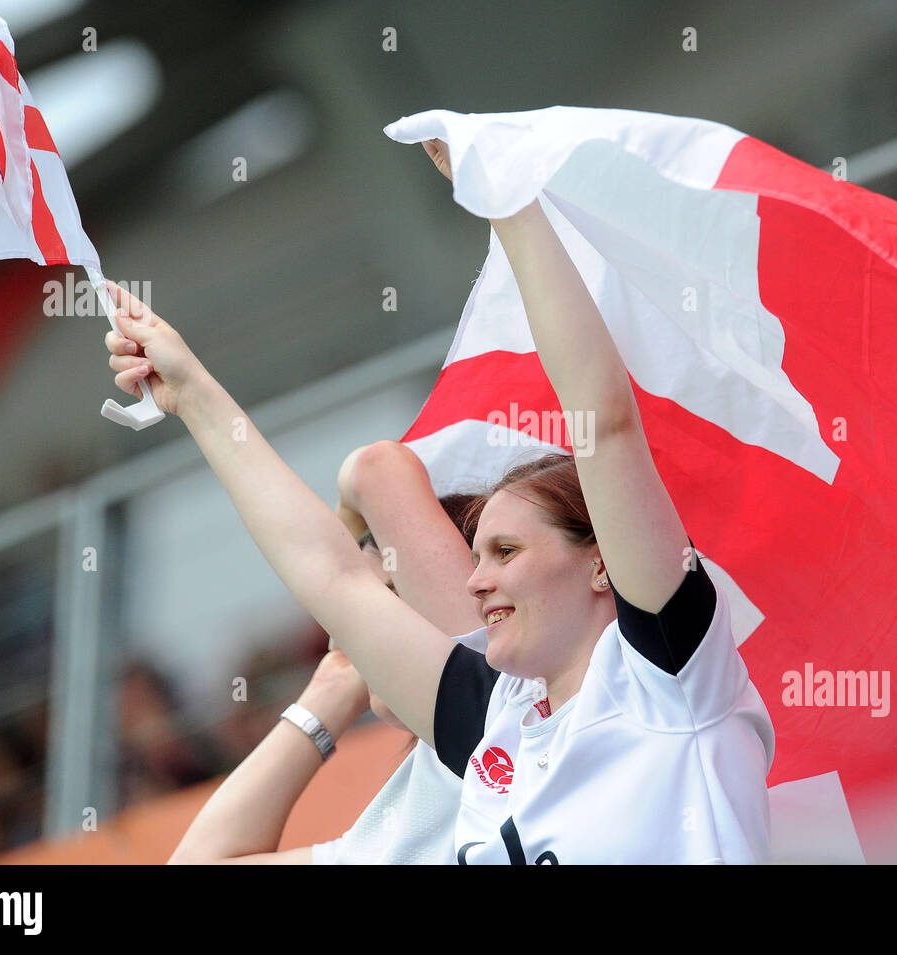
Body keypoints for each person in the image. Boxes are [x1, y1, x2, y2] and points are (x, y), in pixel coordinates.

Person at [103, 137, 775, 862]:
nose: (476, 576)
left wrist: (506, 199)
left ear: (602, 564)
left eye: (507, 550)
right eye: (477, 551)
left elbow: (603, 423)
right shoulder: (497, 726)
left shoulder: (666, 675)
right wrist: (195, 396)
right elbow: (329, 579)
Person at [169, 445, 485, 864]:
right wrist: (332, 686)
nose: (362, 626)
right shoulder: (405, 823)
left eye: (389, 596)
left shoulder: (515, 702)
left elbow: (378, 467)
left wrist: (189, 388)